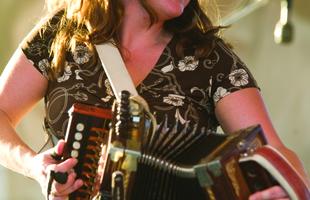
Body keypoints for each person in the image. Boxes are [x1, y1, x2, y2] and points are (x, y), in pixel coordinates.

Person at [0, 0, 309, 199]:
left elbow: (275, 153)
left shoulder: (212, 60)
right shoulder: (59, 36)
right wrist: (34, 165)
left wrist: (286, 189)